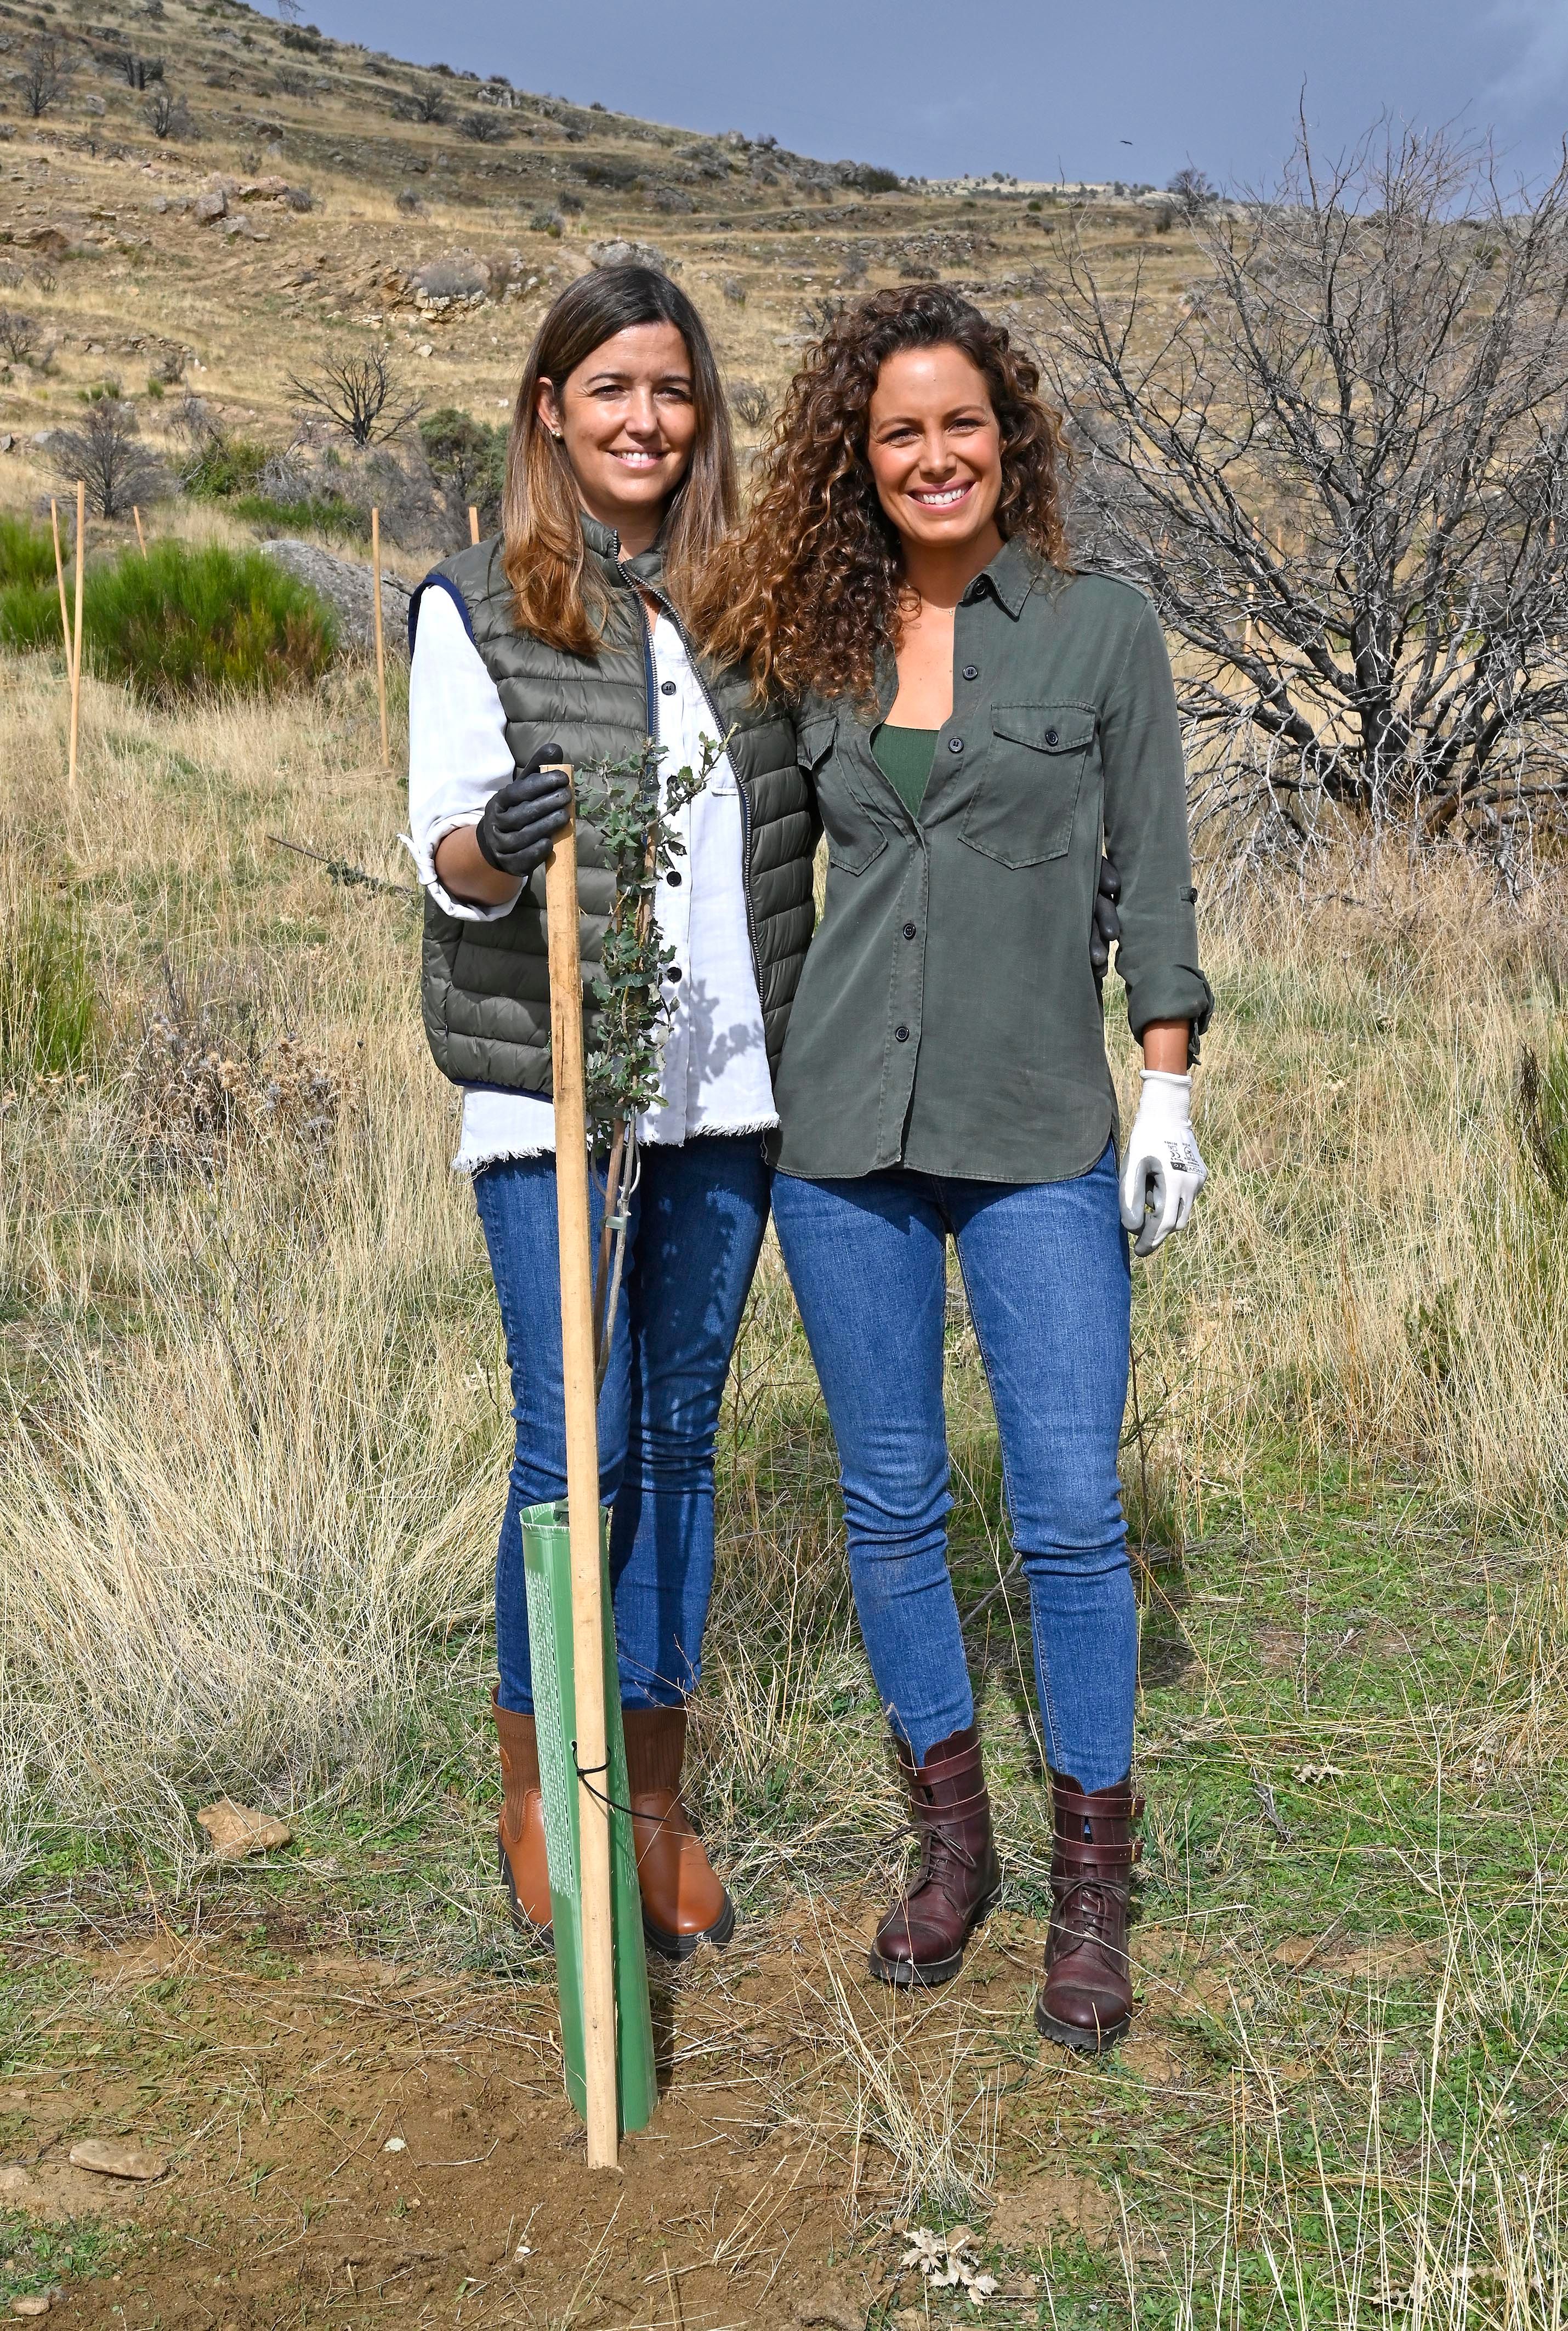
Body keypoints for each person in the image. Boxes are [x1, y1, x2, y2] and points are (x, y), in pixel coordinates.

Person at [697, 285, 1213, 2050]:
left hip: (1036, 1132)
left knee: (1071, 1518)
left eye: (962, 423)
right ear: (862, 454)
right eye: (899, 430)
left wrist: (1165, 1084)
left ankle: (1089, 1885)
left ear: (1012, 436)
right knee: (892, 1504)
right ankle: (952, 1846)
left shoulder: (1097, 632)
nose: (934, 455)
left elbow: (1155, 872)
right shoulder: (806, 643)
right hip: (841, 1140)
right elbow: (751, 869)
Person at [405, 265, 815, 1959]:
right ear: (550, 412)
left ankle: (649, 1793)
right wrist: (500, 839)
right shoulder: (481, 606)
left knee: (676, 1438)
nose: (642, 420)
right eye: (608, 389)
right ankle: (535, 1791)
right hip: (553, 1094)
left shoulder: (746, 611)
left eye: (670, 390)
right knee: (573, 1441)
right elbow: (440, 859)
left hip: (729, 1092)